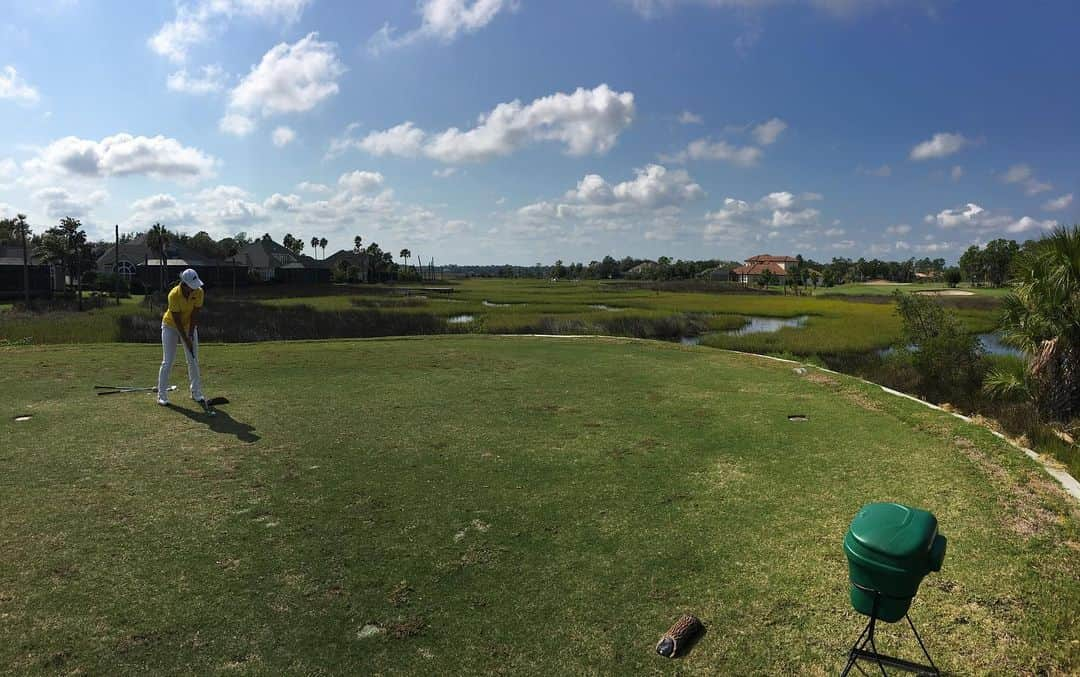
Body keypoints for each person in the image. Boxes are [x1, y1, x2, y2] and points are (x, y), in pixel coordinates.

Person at [157, 268, 206, 407]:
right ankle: (161, 395)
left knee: (193, 359)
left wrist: (190, 335)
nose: (194, 289)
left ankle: (196, 392)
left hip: (189, 325)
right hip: (170, 326)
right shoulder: (173, 295)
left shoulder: (199, 292)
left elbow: (195, 314)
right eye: (191, 286)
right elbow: (177, 321)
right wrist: (185, 339)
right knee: (168, 361)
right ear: (183, 284)